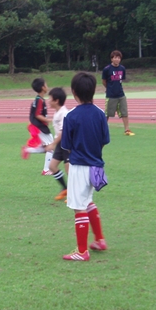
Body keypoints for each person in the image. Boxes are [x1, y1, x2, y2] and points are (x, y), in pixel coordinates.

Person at [61, 72, 110, 261]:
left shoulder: (71, 116)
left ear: (74, 92)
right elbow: (104, 140)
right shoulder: (100, 114)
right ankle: (99, 240)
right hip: (96, 165)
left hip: (79, 166)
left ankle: (82, 251)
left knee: (78, 206)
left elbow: (66, 145)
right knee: (88, 201)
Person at [21, 78, 53, 175]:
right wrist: (49, 120)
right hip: (40, 127)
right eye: (46, 84)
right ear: (43, 87)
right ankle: (46, 170)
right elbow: (37, 115)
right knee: (51, 147)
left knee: (47, 148)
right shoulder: (39, 100)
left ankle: (28, 149)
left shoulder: (38, 99)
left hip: (39, 127)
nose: (47, 86)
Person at [44, 87, 70, 201]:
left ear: (56, 101)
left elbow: (63, 131)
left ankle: (75, 194)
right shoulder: (57, 112)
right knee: (52, 167)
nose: (48, 100)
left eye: (50, 98)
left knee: (70, 170)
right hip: (60, 143)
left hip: (67, 144)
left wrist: (53, 144)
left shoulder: (64, 113)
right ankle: (65, 189)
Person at [102, 50, 134, 136]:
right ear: (112, 59)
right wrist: (109, 88)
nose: (117, 59)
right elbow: (104, 81)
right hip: (111, 95)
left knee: (124, 112)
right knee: (107, 113)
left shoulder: (122, 68)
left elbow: (121, 80)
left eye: (119, 58)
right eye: (115, 58)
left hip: (121, 94)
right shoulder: (107, 69)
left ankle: (127, 129)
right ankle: (103, 130)